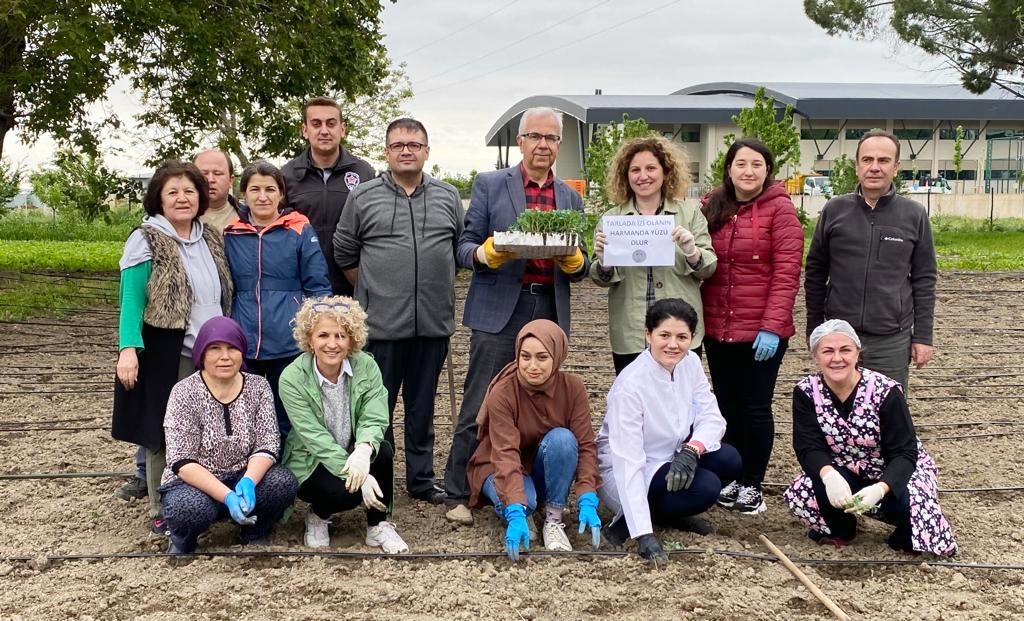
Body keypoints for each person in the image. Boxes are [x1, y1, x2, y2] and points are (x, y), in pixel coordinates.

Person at [444, 107, 590, 524]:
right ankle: (459, 491)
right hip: (498, 306)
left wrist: (575, 262)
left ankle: (532, 483)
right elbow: (464, 247)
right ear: (521, 141)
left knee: (542, 400)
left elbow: (579, 268)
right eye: (534, 136)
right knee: (480, 400)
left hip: (548, 307)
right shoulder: (491, 185)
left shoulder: (570, 197)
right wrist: (486, 254)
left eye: (551, 138)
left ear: (558, 145)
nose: (543, 144)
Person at [334, 118, 464, 505]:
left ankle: (422, 481)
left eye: (414, 144)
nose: (406, 150)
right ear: (387, 152)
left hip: (432, 324)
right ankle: (380, 477)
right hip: (381, 328)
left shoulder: (448, 196)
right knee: (378, 410)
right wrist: (374, 289)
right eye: (398, 145)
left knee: (423, 408)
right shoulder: (364, 197)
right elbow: (344, 251)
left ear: (427, 151)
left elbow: (457, 247)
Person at [112, 160, 233, 535]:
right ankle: (163, 507)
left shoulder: (209, 235)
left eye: (189, 191)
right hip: (168, 349)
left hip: (211, 351)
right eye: (172, 192)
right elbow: (131, 299)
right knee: (165, 431)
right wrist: (128, 349)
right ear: (159, 200)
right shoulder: (146, 239)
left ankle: (203, 502)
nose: (182, 199)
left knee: (209, 430)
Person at [783, 320, 957, 557]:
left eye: (845, 350)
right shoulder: (806, 391)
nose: (837, 358)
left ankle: (903, 534)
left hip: (894, 469)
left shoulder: (885, 391)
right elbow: (807, 445)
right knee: (805, 489)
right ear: (816, 356)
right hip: (843, 468)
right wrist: (829, 474)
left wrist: (881, 487)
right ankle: (841, 529)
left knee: (912, 508)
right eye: (828, 351)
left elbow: (905, 453)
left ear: (857, 353)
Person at [699, 138, 804, 515]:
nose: (748, 171)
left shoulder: (781, 211)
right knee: (725, 406)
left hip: (761, 330)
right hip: (717, 327)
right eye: (741, 164)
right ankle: (730, 475)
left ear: (767, 170)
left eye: (756, 164)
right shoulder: (712, 206)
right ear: (728, 169)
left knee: (756, 407)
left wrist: (773, 326)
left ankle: (752, 483)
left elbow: (786, 273)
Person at [597, 299, 740, 562]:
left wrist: (692, 449)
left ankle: (667, 512)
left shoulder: (690, 364)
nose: (673, 345)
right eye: (664, 335)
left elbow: (713, 418)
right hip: (626, 471)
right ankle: (633, 520)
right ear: (647, 334)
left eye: (681, 337)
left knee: (729, 459)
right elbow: (628, 461)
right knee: (706, 488)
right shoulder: (630, 385)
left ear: (692, 338)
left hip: (671, 454)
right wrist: (643, 534)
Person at [804, 129, 937, 390]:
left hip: (891, 340)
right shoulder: (835, 210)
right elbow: (815, 272)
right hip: (840, 338)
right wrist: (814, 328)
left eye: (883, 161)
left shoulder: (914, 215)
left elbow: (924, 278)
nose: (874, 168)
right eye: (867, 160)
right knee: (838, 412)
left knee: (889, 414)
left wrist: (923, 336)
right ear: (857, 166)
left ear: (896, 167)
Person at [279, 296, 410, 554]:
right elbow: (314, 438)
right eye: (323, 335)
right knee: (343, 492)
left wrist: (363, 450)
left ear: (352, 339)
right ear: (310, 339)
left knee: (382, 451)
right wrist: (356, 477)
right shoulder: (291, 378)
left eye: (341, 336)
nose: (332, 344)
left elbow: (375, 413)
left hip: (352, 447)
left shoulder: (367, 365)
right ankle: (318, 514)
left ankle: (377, 526)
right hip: (312, 459)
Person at [160, 317, 299, 554]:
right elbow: (181, 461)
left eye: (232, 348)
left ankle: (255, 532)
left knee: (282, 483)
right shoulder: (184, 392)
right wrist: (226, 495)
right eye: (215, 348)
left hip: (243, 476)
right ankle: (183, 539)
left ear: (242, 352)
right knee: (188, 509)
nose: (225, 356)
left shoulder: (258, 387)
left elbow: (268, 443)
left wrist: (249, 480)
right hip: (195, 483)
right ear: (201, 353)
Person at [466, 319, 601, 560]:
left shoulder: (573, 388)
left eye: (542, 357)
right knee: (524, 503)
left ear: (557, 357)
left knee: (563, 440)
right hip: (498, 466)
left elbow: (586, 444)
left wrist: (587, 493)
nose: (532, 366)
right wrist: (516, 509)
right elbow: (505, 454)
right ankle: (524, 511)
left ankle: (553, 519)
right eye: (525, 357)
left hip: (541, 462)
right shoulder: (503, 392)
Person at [224, 160, 332, 439]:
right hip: (245, 340)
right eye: (255, 189)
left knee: (287, 413)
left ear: (281, 194)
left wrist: (318, 330)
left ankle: (287, 477)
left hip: (288, 339)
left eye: (270, 189)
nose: (263, 196)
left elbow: (317, 284)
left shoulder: (298, 229)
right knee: (246, 413)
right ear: (243, 194)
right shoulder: (230, 233)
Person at [590, 135, 717, 373]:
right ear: (625, 176)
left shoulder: (689, 213)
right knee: (634, 402)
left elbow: (709, 268)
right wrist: (604, 264)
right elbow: (598, 277)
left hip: (678, 331)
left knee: (679, 400)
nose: (643, 176)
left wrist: (692, 252)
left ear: (666, 172)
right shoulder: (611, 219)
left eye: (651, 168)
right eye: (635, 170)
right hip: (631, 331)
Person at [282, 97, 376, 296]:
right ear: (304, 130)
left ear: (342, 129)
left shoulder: (364, 173)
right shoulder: (287, 176)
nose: (324, 130)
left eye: (331, 123)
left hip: (354, 287)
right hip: (303, 288)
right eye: (316, 124)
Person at [194, 149, 240, 231]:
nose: (210, 179)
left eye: (217, 173)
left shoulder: (249, 217)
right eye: (204, 174)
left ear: (231, 180)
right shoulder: (179, 217)